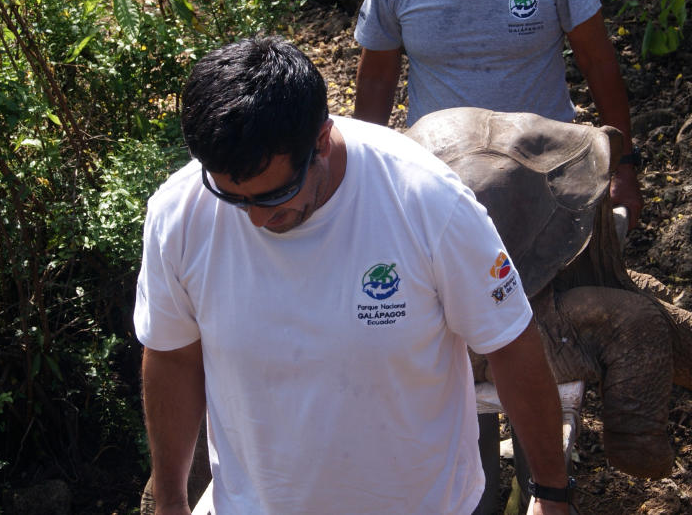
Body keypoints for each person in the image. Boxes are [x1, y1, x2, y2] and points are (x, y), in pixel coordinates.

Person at [135, 37, 574, 514]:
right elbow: (172, 357)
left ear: (321, 142)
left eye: (273, 196)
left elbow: (509, 341)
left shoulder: (425, 201)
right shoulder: (178, 215)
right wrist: (171, 502)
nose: (256, 220)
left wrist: (550, 491)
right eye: (232, 197)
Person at [353, 0, 642, 229]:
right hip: (440, 176)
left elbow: (597, 59)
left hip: (548, 172)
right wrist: (359, 177)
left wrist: (623, 166)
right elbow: (376, 77)